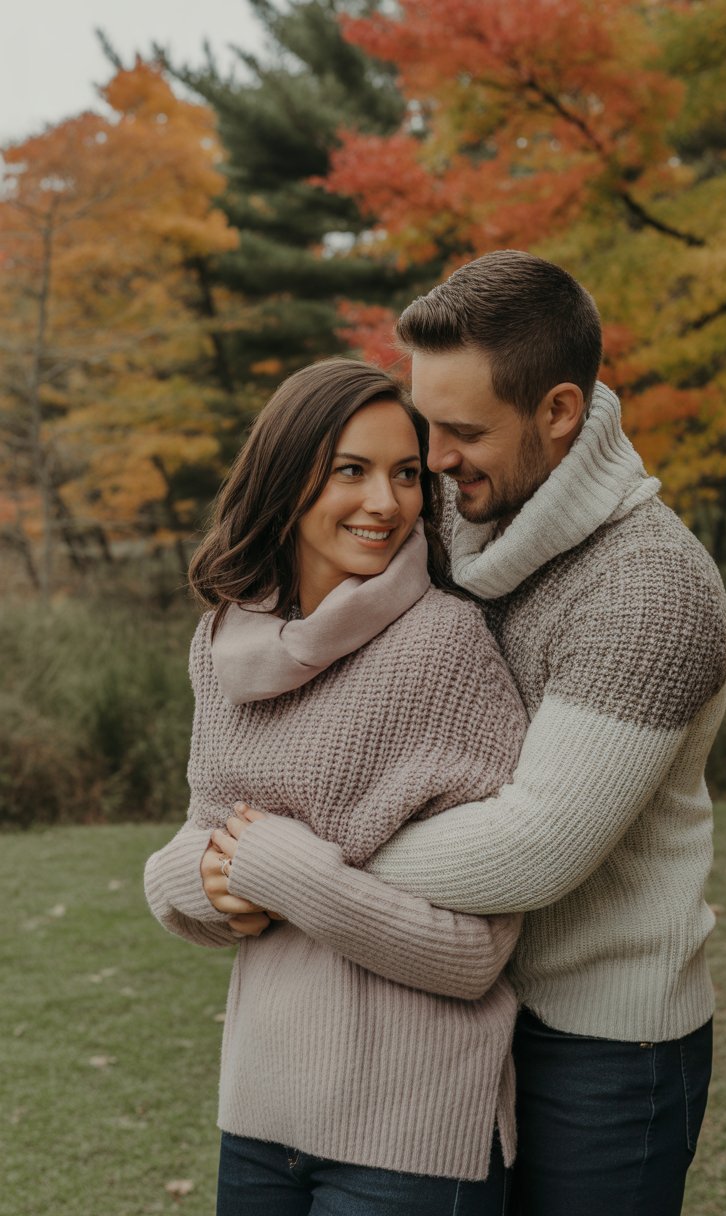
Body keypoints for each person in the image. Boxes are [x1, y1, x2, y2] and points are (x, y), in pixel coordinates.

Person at [214, 252, 726, 1216]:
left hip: (598, 1039)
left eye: (462, 432)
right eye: (426, 428)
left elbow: (531, 849)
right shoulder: (447, 519)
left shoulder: (652, 591)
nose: (436, 465)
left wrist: (283, 860)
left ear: (560, 413)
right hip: (434, 1015)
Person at [143, 358, 529, 1216]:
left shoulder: (444, 647)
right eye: (351, 470)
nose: (386, 505)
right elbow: (201, 834)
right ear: (286, 481)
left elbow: (476, 952)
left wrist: (286, 874)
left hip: (409, 1137)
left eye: (404, 475)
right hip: (258, 1112)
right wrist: (192, 880)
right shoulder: (223, 644)